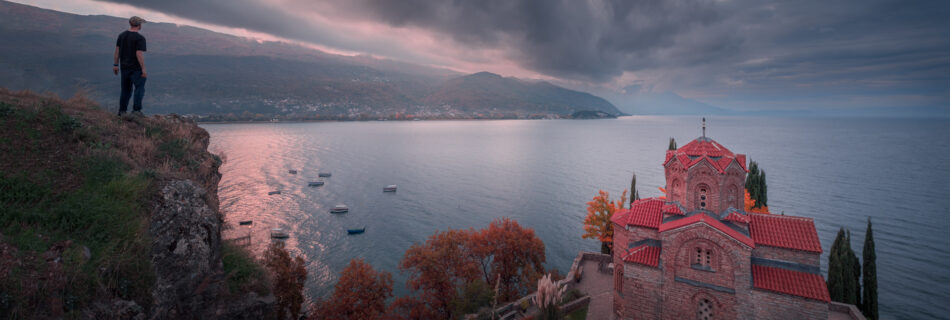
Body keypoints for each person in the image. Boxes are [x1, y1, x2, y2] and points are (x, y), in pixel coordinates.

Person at [113, 16, 148, 117]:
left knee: (125, 90)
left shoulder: (122, 35)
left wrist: (115, 65)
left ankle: (122, 111)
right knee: (139, 87)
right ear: (139, 25)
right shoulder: (140, 38)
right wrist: (143, 69)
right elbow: (139, 54)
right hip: (136, 69)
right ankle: (136, 111)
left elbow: (117, 52)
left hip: (124, 68)